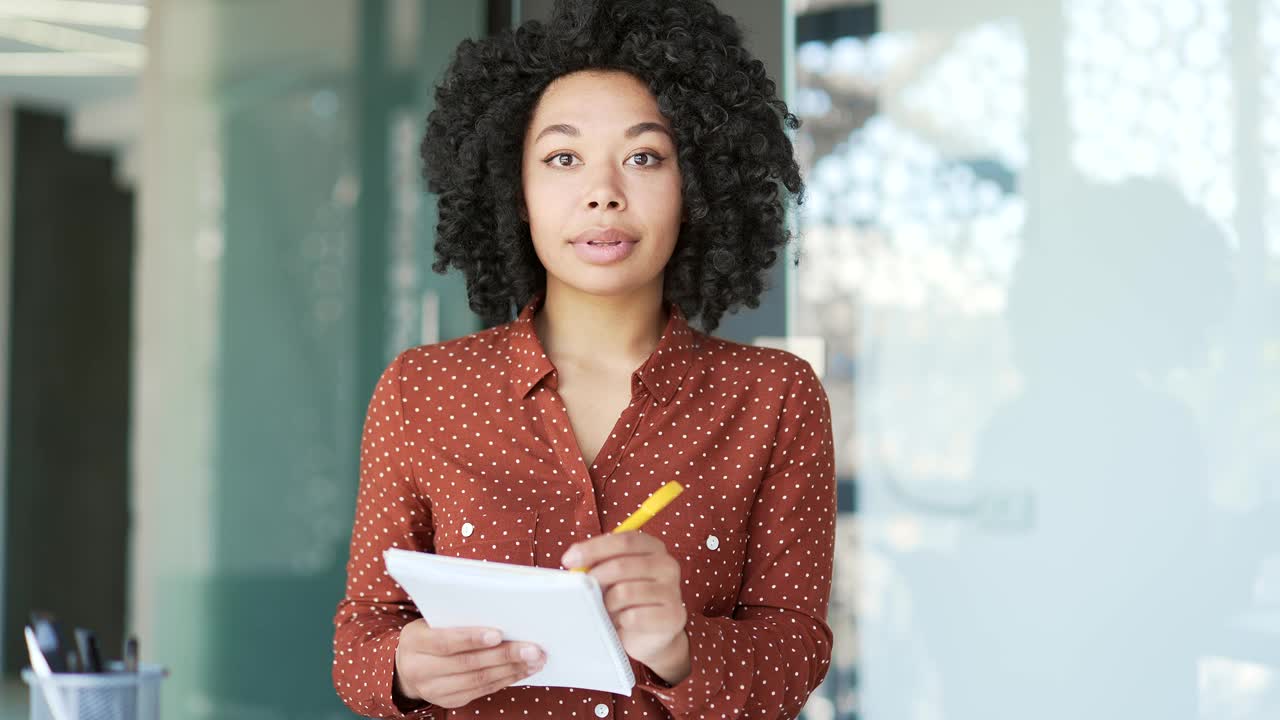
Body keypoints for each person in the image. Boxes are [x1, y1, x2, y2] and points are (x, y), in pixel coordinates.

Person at [332, 1, 836, 717]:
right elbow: (361, 640)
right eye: (563, 158)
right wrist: (403, 670)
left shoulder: (775, 398)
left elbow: (796, 655)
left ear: (694, 188)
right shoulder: (421, 390)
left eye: (644, 157)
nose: (603, 192)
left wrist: (679, 645)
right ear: (518, 190)